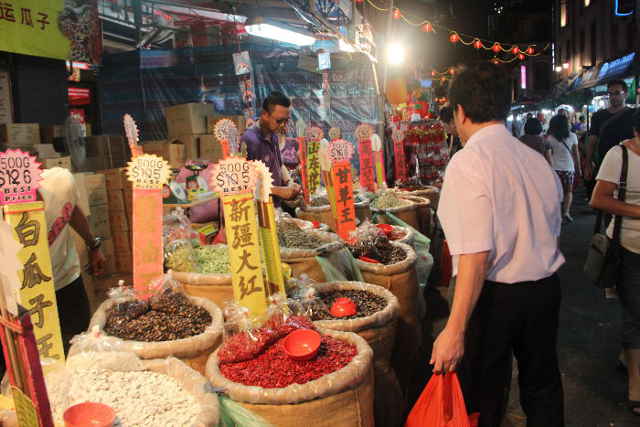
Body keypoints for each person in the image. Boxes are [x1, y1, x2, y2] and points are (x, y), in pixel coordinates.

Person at [431, 63, 565, 427]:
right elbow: (553, 226)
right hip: (545, 291)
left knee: (485, 391)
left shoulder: (469, 161)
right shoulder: (536, 160)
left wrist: (454, 329)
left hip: (496, 297)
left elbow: (475, 254)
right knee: (543, 386)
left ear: (460, 111)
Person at [590, 109, 640, 416]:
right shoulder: (619, 155)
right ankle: (637, 385)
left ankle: (629, 357)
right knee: (636, 316)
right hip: (628, 246)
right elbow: (599, 198)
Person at [40, 167, 106, 350]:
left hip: (65, 282)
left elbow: (70, 208)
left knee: (77, 343)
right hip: (16, 300)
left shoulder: (60, 183)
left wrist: (93, 245)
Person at [241, 92, 300, 205]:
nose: (283, 125)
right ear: (265, 115)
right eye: (279, 121)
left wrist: (289, 182)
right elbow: (246, 183)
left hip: (274, 206)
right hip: (259, 208)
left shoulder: (273, 135)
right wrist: (278, 191)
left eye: (285, 121)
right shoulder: (250, 140)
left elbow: (280, 164)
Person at [585, 80, 635, 182]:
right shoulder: (598, 116)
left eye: (617, 93)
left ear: (625, 94)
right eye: (610, 94)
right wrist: (588, 164)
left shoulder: (634, 115)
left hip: (629, 165)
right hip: (605, 164)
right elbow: (592, 141)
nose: (613, 97)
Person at [547, 114, 582, 222]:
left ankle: (556, 213)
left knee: (555, 192)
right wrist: (579, 168)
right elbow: (576, 154)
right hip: (568, 168)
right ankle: (566, 212)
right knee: (568, 191)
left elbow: (548, 155)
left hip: (555, 169)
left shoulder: (550, 138)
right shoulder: (572, 136)